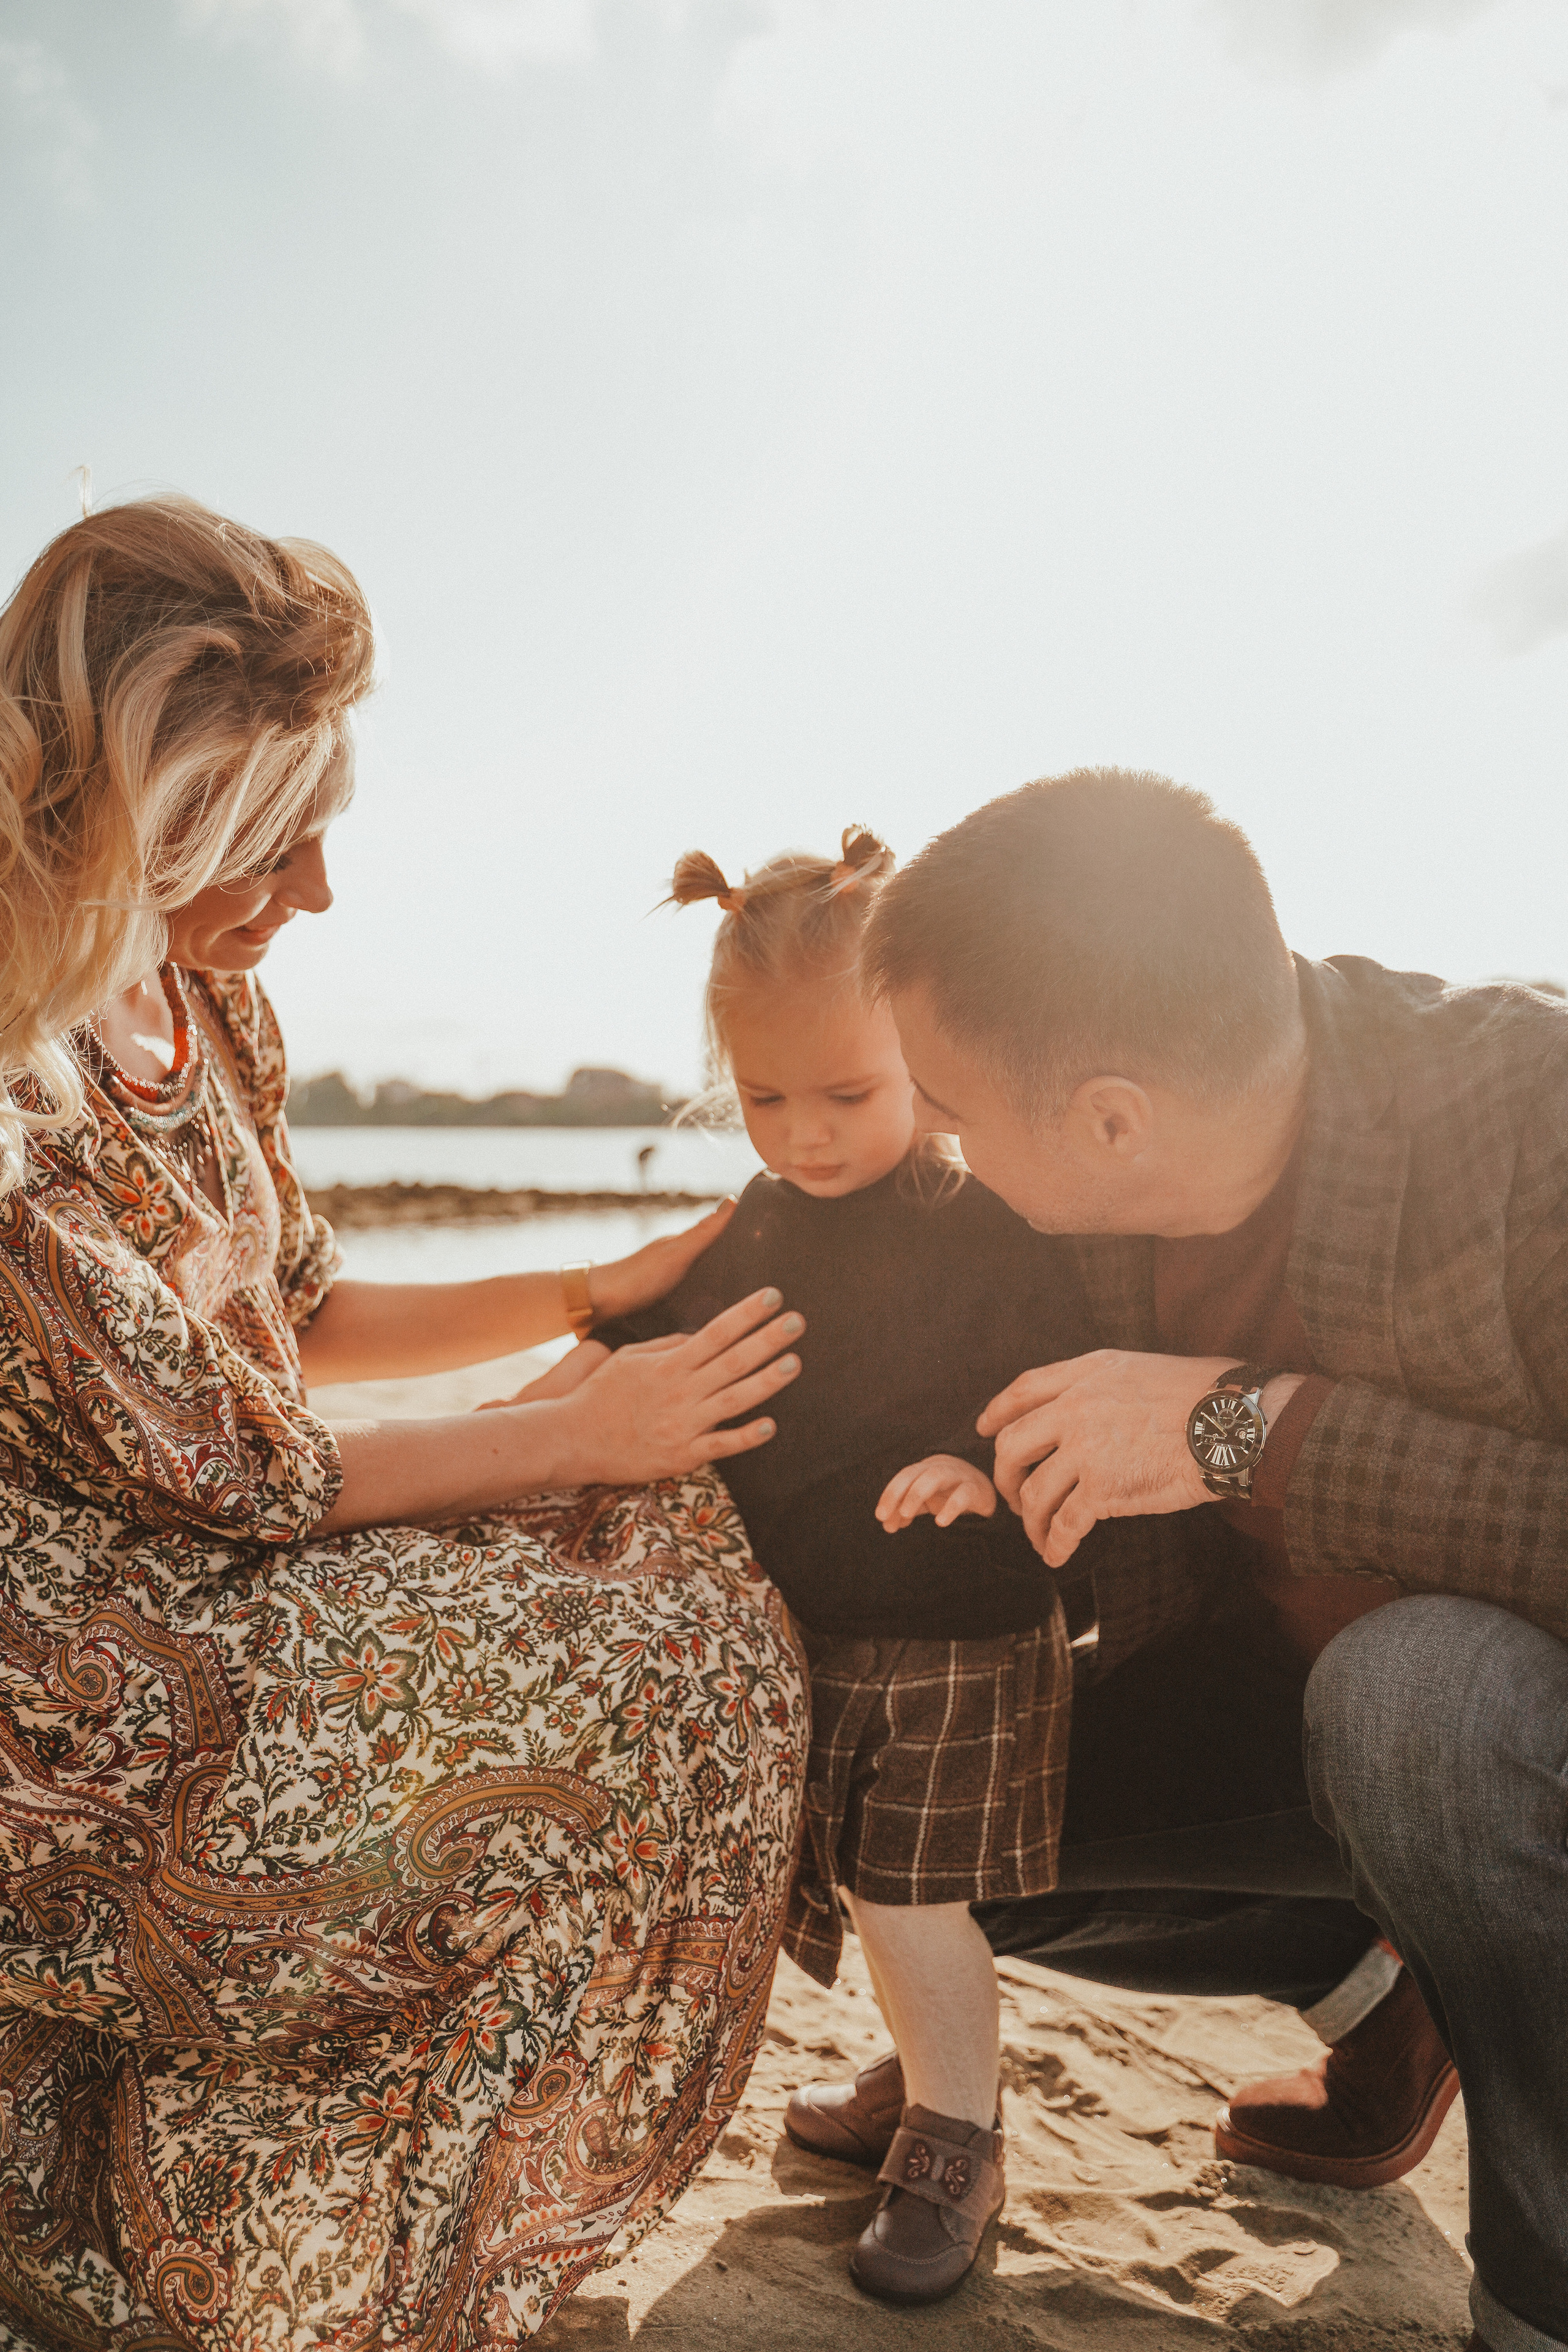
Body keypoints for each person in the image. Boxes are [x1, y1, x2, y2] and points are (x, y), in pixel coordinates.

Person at [0, 496, 810, 2346]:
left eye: (325, 834)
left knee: (682, 1566)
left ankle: (325, 2202)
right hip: (72, 1691)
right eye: (275, 847)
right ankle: (210, 2213)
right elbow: (227, 1458)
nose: (320, 899)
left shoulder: (211, 1004)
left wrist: (602, 1297)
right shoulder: (6, 1067)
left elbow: (299, 1322)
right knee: (631, 1654)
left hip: (212, 1573)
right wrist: (574, 1429)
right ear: (137, 816)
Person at [830, 765, 1564, 2352]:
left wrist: (1252, 1431)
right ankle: (1393, 1999)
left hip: (1495, 1734)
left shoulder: (1536, 1117)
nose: (937, 1149)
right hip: (1282, 1711)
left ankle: (1545, 2294)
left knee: (1417, 1698)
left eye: (948, 1110)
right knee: (917, 1818)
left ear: (1109, 1117)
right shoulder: (1098, 1200)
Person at [594, 829, 1104, 2303]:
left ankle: (957, 2139)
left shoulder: (982, 1217)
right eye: (763, 1100)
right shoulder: (761, 1217)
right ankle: (918, 2075)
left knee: (904, 1893)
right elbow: (648, 1342)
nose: (805, 1136)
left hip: (957, 1622)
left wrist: (978, 1457)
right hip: (816, 1625)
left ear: (920, 1057)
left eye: (848, 1095)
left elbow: (1059, 1374)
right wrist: (534, 1414)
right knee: (858, 1873)